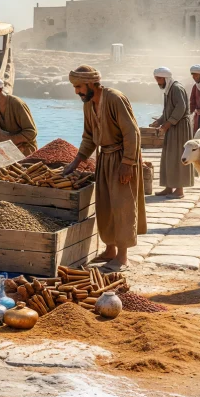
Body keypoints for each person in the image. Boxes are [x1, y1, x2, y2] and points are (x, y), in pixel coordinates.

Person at [62, 65, 145, 272]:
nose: (77, 92)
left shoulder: (115, 98)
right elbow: (88, 136)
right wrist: (75, 162)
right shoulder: (88, 104)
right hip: (104, 158)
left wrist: (127, 163)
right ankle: (110, 250)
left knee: (122, 206)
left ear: (91, 83)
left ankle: (122, 257)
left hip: (121, 157)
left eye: (79, 87)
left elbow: (132, 133)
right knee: (105, 206)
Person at [151, 66, 194, 196]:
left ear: (165, 78)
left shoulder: (176, 88)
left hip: (180, 128)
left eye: (159, 79)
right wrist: (159, 121)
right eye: (156, 79)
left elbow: (181, 107)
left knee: (179, 156)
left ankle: (179, 189)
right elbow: (168, 110)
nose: (157, 82)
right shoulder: (168, 89)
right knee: (169, 156)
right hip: (172, 127)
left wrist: (168, 123)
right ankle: (168, 187)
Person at [0, 75, 37, 154]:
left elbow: (31, 132)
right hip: (7, 151)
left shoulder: (17, 104)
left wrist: (10, 140)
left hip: (25, 152)